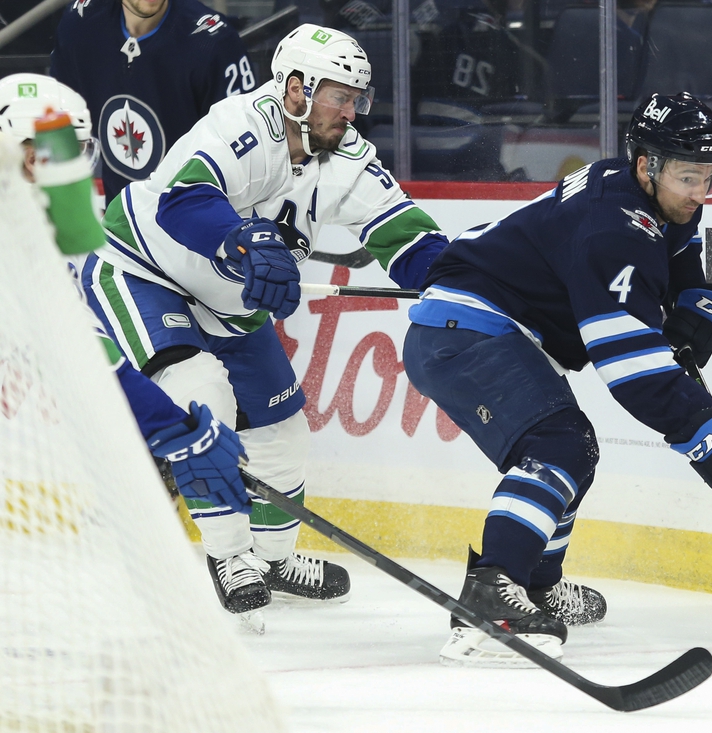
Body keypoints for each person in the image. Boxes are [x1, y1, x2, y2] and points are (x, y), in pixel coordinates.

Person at [77, 24, 449, 620]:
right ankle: (229, 556)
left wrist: (461, 278)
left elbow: (406, 236)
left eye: (358, 99)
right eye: (339, 96)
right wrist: (244, 243)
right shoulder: (239, 125)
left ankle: (272, 558)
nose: (351, 112)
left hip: (229, 302)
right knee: (203, 398)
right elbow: (184, 200)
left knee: (282, 432)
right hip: (144, 271)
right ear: (296, 89)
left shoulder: (349, 157)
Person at [402, 91, 712, 665]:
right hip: (465, 330)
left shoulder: (638, 189)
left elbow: (676, 243)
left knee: (574, 449)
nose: (700, 194)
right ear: (647, 165)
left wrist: (693, 293)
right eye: (689, 178)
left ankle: (536, 585)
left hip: (489, 325)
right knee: (557, 445)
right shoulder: (613, 231)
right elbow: (628, 365)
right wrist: (708, 435)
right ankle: (491, 593)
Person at [0, 72, 252, 519]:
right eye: (50, 158)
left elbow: (86, 352)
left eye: (75, 157)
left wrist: (172, 428)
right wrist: (174, 429)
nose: (68, 179)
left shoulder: (26, 244)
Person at [50, 0, 255, 204]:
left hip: (193, 215)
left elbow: (246, 157)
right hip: (117, 217)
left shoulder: (213, 41)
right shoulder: (80, 23)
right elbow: (59, 118)